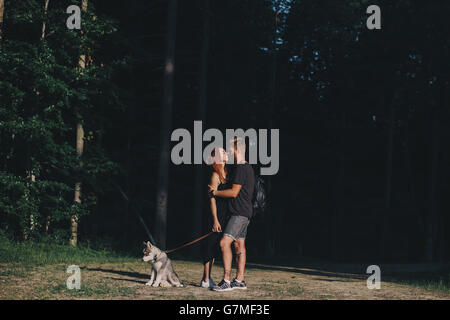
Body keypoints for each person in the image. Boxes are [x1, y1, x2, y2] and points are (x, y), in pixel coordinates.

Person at [209, 137, 255, 291]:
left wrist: (215, 192)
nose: (229, 151)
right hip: (245, 212)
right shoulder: (246, 167)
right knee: (239, 244)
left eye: (230, 148)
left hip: (239, 213)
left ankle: (226, 281)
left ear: (236, 149)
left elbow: (234, 192)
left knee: (224, 243)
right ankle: (240, 280)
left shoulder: (241, 168)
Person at [200, 147, 230, 288]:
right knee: (210, 245)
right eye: (222, 152)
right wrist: (215, 220)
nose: (226, 153)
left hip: (224, 214)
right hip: (215, 215)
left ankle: (208, 278)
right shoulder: (215, 175)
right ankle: (206, 279)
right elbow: (211, 199)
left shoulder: (226, 173)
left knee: (216, 246)